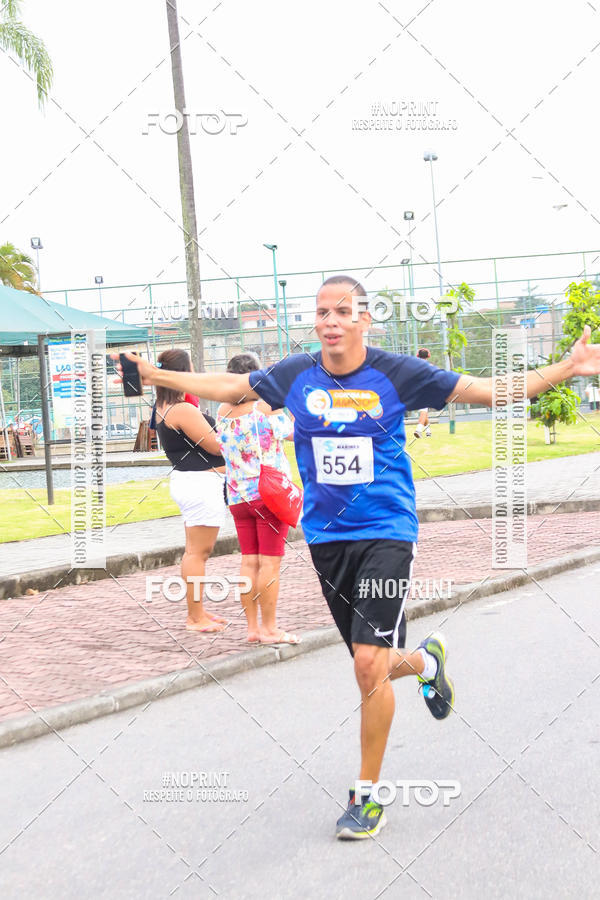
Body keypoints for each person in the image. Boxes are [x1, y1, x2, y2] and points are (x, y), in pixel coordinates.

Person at [117, 277, 600, 839]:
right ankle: (424, 663)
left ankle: (367, 796)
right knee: (370, 660)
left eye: (343, 311)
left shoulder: (397, 374)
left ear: (364, 320)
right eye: (322, 311)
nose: (331, 320)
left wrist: (566, 369)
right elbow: (229, 385)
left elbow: (491, 390)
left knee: (368, 664)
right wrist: (153, 375)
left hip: (386, 532)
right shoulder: (296, 374)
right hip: (326, 537)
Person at [215, 352, 299, 645]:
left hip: (238, 496)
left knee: (248, 561)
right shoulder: (266, 408)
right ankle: (270, 629)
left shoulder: (222, 412)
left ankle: (252, 628)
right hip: (269, 496)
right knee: (270, 564)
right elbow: (294, 434)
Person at [154, 349, 228, 634]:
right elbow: (215, 445)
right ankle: (195, 617)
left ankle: (198, 612)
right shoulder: (182, 409)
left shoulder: (163, 406)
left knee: (194, 552)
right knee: (199, 553)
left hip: (190, 482)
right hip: (201, 483)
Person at [413, 347, 432, 438]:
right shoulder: (430, 366)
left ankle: (420, 430)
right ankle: (425, 430)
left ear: (418, 355)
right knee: (424, 411)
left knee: (423, 411)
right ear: (428, 356)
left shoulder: (414, 365)